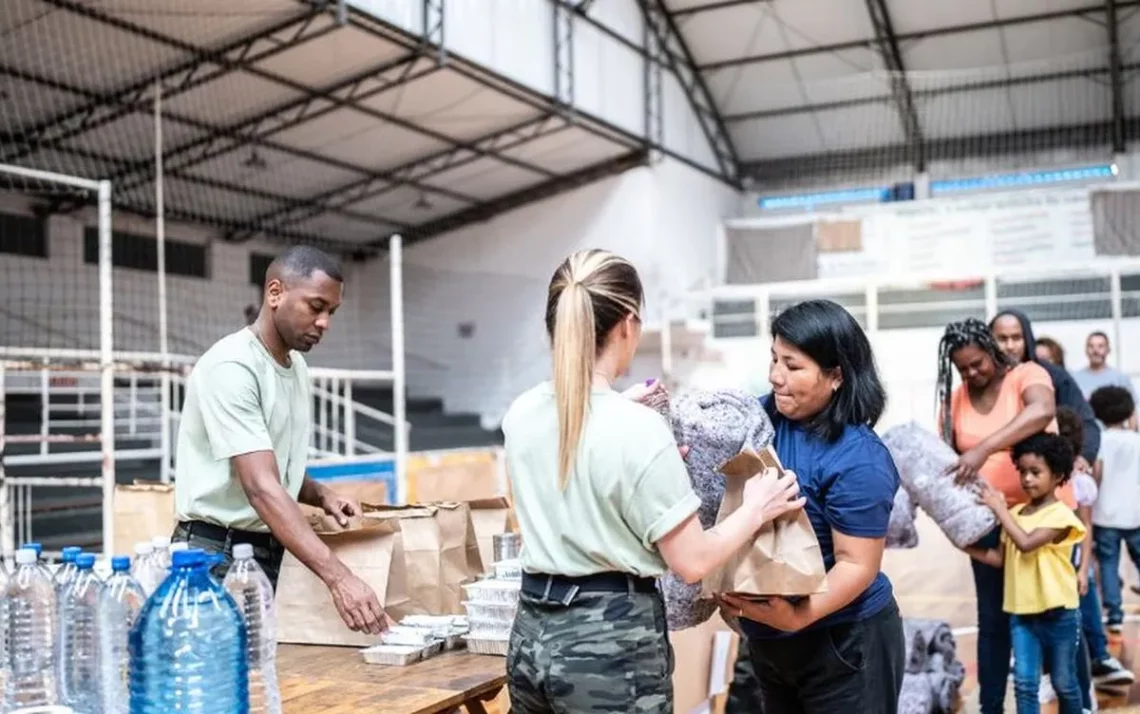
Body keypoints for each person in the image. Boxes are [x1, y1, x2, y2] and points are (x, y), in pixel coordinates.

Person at [503, 249, 805, 714]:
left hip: (530, 634)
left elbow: (577, 448)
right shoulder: (638, 430)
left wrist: (621, 409)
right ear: (628, 324)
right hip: (607, 646)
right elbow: (692, 561)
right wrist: (756, 507)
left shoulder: (521, 413)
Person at [173, 245, 387, 636]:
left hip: (262, 551)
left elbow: (278, 469)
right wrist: (340, 578)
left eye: (331, 313)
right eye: (316, 306)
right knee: (214, 687)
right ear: (275, 293)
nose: (324, 323)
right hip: (214, 556)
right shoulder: (233, 366)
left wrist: (322, 495)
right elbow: (261, 486)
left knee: (256, 683)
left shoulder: (296, 367)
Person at [718, 299, 905, 713]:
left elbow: (857, 565)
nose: (775, 376)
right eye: (773, 359)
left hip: (844, 641)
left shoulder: (858, 458)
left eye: (792, 365)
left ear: (835, 375)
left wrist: (797, 617)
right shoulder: (761, 421)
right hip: (773, 639)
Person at [937, 318, 1069, 714]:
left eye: (977, 363)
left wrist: (984, 449)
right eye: (962, 368)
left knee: (1053, 617)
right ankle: (990, 707)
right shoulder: (956, 397)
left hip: (1040, 516)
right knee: (992, 620)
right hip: (987, 520)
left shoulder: (1026, 374)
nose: (971, 373)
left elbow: (1043, 410)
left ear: (992, 351)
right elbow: (947, 456)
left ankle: (1076, 699)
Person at [965, 433, 1087, 714]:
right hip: (1022, 615)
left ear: (1057, 475)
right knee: (1024, 683)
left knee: (1064, 682)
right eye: (1022, 471)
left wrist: (999, 509)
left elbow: (1027, 543)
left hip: (1060, 615)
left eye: (1035, 472)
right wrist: (963, 546)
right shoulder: (1017, 513)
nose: (1027, 479)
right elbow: (1002, 558)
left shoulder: (1062, 515)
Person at [1055, 408, 1133, 692]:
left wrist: (1084, 565)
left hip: (1074, 559)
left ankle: (1099, 658)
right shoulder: (1037, 477)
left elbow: (1084, 525)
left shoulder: (1080, 483)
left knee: (1085, 604)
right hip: (1047, 563)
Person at [989, 309, 1100, 471]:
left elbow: (1086, 421)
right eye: (1002, 339)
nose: (1010, 346)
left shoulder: (1055, 376)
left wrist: (1083, 458)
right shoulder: (982, 379)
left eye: (1017, 338)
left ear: (1027, 339)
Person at [1088, 385, 1140, 635]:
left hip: (1106, 514)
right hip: (1135, 513)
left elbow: (1097, 474)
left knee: (1109, 565)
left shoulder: (1100, 440)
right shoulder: (1137, 441)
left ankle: (1115, 615)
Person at [1074, 331, 1135, 401]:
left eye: (1100, 346)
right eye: (1091, 346)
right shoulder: (1075, 379)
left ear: (1108, 350)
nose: (1095, 351)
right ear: (1086, 350)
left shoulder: (1120, 379)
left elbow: (1132, 407)